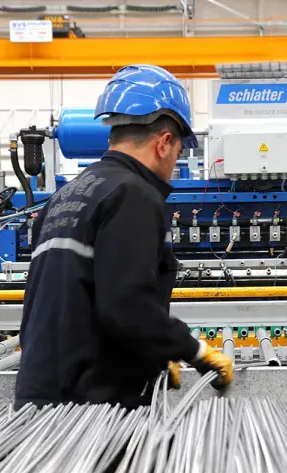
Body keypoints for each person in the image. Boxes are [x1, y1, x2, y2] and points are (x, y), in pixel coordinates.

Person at [14, 64, 232, 410]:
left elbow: (67, 300)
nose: (174, 166)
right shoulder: (134, 195)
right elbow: (126, 305)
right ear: (164, 143)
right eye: (178, 153)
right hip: (94, 409)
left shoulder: (65, 196)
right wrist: (194, 350)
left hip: (41, 399)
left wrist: (153, 350)